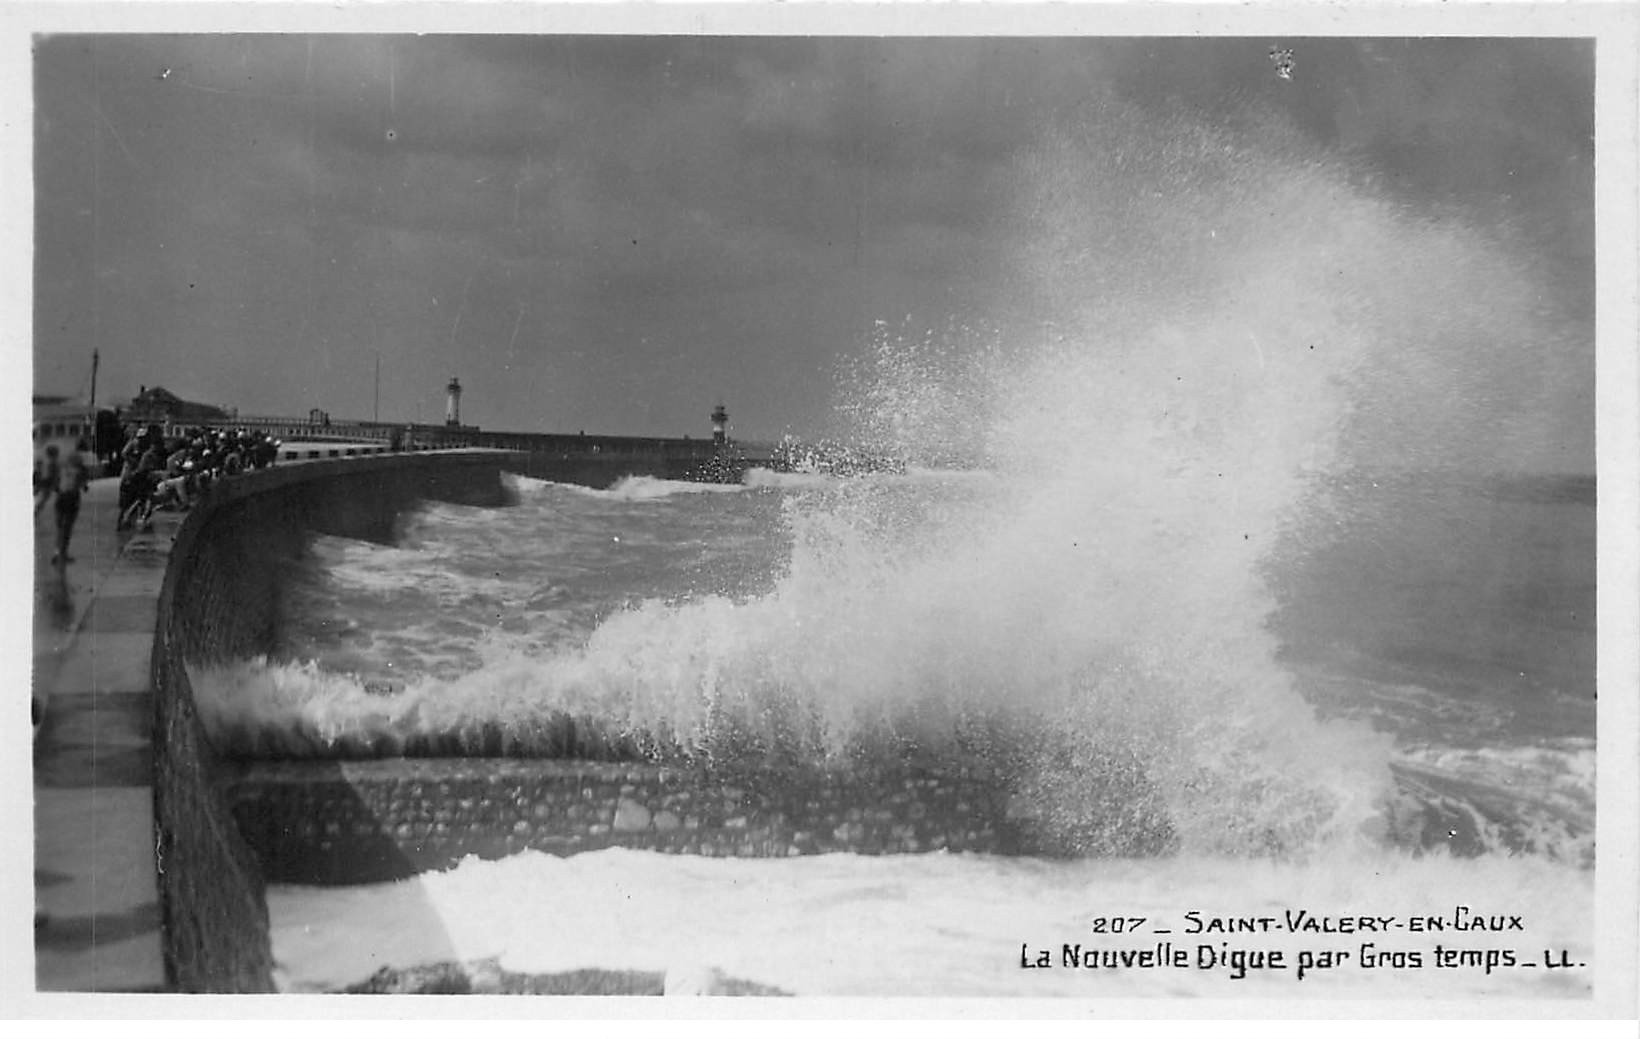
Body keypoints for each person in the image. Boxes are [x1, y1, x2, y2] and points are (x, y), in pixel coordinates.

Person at [52, 439, 90, 566]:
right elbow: (84, 485)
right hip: (72, 497)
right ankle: (64, 553)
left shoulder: (63, 463)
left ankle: (57, 552)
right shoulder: (81, 465)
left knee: (60, 526)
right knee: (67, 527)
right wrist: (83, 485)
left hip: (61, 497)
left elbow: (56, 482)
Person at [34, 444, 60, 516]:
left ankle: (35, 512)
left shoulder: (48, 463)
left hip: (44, 484)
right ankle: (34, 513)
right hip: (46, 484)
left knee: (40, 499)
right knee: (41, 500)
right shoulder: (53, 464)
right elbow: (52, 476)